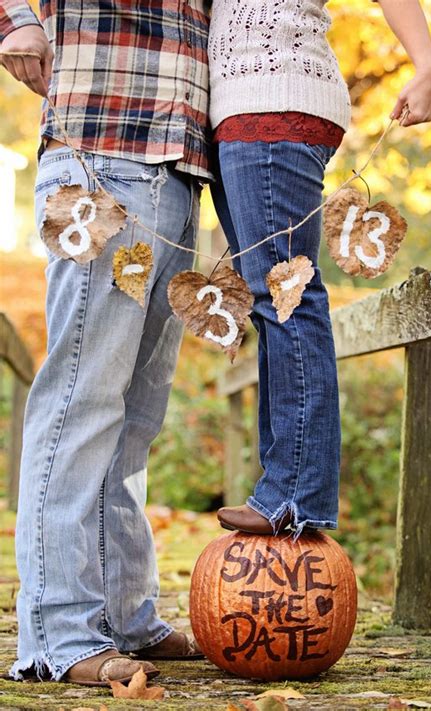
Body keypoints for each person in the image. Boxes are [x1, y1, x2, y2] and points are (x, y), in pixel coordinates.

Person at [0, 0, 211, 686]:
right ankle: (60, 634)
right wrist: (15, 19)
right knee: (82, 402)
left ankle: (124, 616)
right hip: (101, 158)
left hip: (181, 170)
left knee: (136, 417)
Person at [209, 0, 431, 536]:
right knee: (271, 297)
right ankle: (286, 486)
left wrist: (426, 66)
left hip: (275, 97)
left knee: (287, 293)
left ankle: (293, 495)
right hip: (240, 109)